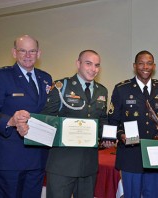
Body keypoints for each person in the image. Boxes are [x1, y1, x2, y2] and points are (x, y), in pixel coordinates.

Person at [0, 35, 52, 198]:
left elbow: (49, 112)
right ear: (14, 53)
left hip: (38, 156)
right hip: (10, 156)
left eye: (32, 51)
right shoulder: (1, 76)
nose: (28, 55)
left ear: (38, 53)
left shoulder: (46, 78)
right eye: (23, 51)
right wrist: (10, 121)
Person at [41, 50, 108, 198]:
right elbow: (46, 119)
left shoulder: (102, 91)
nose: (93, 69)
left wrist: (108, 137)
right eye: (88, 64)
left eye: (97, 65)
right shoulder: (60, 86)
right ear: (78, 64)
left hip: (88, 165)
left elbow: (103, 119)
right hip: (62, 163)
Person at [108, 50, 158, 198]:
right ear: (134, 66)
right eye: (141, 63)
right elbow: (112, 120)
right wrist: (120, 134)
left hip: (155, 156)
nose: (145, 67)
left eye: (149, 63)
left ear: (154, 66)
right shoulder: (122, 89)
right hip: (131, 155)